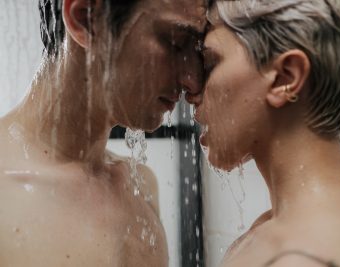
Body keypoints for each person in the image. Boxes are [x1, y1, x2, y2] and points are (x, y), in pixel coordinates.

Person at [0, 0, 206, 266]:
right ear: (86, 18)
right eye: (176, 42)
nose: (193, 80)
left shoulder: (141, 185)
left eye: (198, 50)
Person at [195, 0, 340, 266]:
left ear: (285, 78)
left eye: (209, 64)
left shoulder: (302, 259)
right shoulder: (291, 225)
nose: (192, 91)